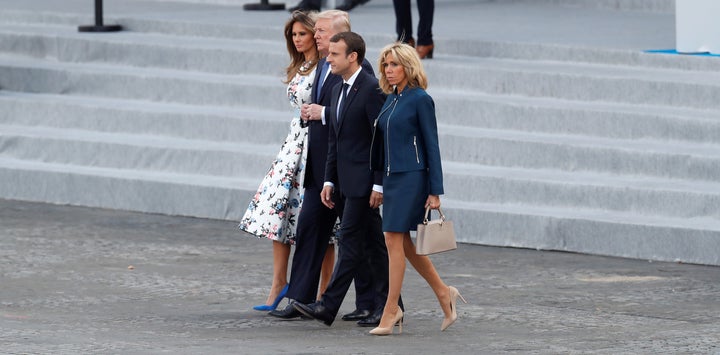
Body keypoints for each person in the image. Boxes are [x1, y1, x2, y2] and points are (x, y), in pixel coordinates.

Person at [269, 10, 377, 325]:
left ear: (341, 35)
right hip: (322, 168)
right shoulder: (322, 64)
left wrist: (323, 112)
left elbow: (357, 116)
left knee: (361, 238)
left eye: (321, 31)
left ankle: (374, 302)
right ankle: (299, 298)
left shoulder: (359, 68)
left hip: (349, 170)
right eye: (315, 31)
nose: (315, 35)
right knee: (309, 229)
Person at [238, 10, 336, 312]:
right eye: (294, 35)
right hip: (294, 143)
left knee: (322, 224)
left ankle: (323, 291)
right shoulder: (301, 65)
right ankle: (279, 283)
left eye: (303, 33)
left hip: (316, 142)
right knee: (278, 214)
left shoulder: (327, 65)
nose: (299, 39)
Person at [292, 31, 389, 327]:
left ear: (353, 57)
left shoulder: (371, 89)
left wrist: (377, 184)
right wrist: (328, 180)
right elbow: (335, 140)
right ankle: (389, 305)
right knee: (373, 244)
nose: (328, 58)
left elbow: (380, 140)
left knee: (348, 240)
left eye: (335, 54)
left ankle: (328, 305)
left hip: (364, 184)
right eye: (329, 53)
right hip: (344, 182)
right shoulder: (338, 90)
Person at [368, 42, 465, 336]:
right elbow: (383, 145)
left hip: (412, 178)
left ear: (408, 66)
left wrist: (435, 191)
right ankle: (443, 292)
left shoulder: (421, 99)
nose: (389, 70)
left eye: (394, 64)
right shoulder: (391, 99)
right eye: (385, 65)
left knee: (392, 239)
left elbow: (432, 146)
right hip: (392, 178)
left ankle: (391, 309)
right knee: (403, 244)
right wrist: (378, 183)